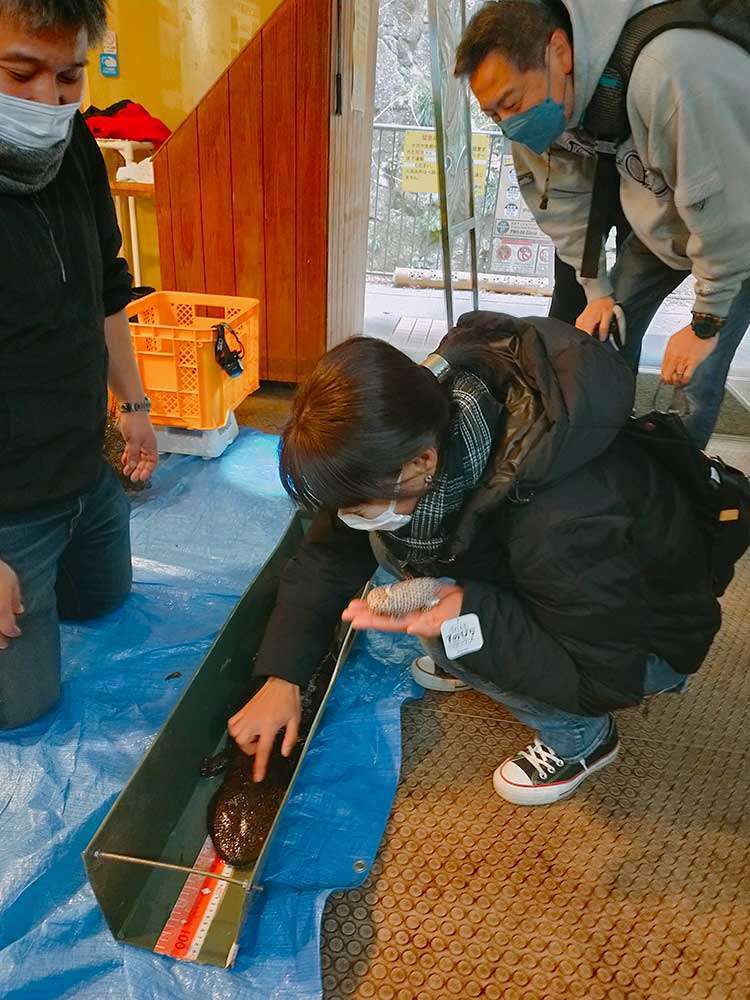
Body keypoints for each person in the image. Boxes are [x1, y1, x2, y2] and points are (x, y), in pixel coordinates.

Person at [228, 313, 721, 806]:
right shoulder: (422, 421)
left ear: (422, 461)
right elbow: (325, 558)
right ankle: (473, 636)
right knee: (384, 546)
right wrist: (282, 676)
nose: (346, 517)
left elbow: (602, 676)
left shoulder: (564, 518)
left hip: (639, 646)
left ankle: (583, 739)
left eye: (355, 506)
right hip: (553, 586)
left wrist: (465, 611)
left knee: (443, 633)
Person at [454, 0, 750, 448]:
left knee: (697, 371)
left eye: (511, 103)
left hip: (741, 227)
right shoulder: (536, 111)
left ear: (559, 52)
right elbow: (563, 205)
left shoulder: (671, 72)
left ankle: (682, 481)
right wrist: (596, 290)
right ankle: (604, 453)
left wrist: (704, 323)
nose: (509, 124)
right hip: (665, 211)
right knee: (605, 333)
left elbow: (728, 214)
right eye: (494, 114)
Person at [0, 0, 157, 729]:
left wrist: (134, 408)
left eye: (68, 78)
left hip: (76, 464)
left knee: (103, 600)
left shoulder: (76, 151)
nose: (46, 101)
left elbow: (106, 289)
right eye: (19, 73)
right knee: (21, 708)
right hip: (6, 507)